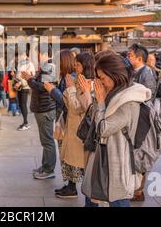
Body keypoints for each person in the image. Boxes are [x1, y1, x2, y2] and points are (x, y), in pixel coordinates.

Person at [82, 52, 152, 207]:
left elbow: (104, 128)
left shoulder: (128, 100)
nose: (100, 82)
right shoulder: (113, 93)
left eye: (102, 78)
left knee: (117, 200)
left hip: (117, 162)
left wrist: (100, 102)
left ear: (115, 75)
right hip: (103, 157)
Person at [45, 51, 92, 198]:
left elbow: (77, 107)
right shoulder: (75, 79)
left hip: (78, 127)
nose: (75, 67)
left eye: (77, 65)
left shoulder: (85, 82)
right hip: (70, 124)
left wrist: (55, 90)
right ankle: (72, 187)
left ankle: (76, 189)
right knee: (69, 157)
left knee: (77, 161)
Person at [21, 44, 57, 180]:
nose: (36, 56)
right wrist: (30, 78)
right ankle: (45, 166)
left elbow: (43, 87)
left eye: (37, 54)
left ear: (43, 54)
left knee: (47, 141)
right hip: (43, 106)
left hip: (45, 107)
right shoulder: (47, 66)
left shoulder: (49, 67)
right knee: (45, 140)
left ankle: (49, 169)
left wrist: (29, 79)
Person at [127, 43, 157, 201]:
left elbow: (148, 97)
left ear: (139, 58)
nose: (127, 57)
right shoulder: (134, 71)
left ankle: (139, 190)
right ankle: (135, 188)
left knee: (140, 153)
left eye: (130, 55)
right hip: (134, 116)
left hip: (142, 118)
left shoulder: (147, 73)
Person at [16, 52, 36, 131]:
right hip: (19, 86)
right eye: (21, 54)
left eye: (23, 55)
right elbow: (18, 75)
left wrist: (20, 82)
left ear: (27, 56)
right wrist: (17, 81)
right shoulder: (19, 64)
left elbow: (31, 75)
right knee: (20, 104)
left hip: (26, 86)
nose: (21, 56)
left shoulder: (30, 64)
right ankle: (24, 122)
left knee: (23, 104)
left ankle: (26, 123)